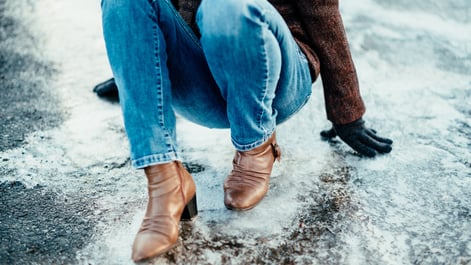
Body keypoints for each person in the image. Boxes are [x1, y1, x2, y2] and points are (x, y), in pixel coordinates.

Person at [100, 0, 393, 261]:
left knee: (226, 5)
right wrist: (135, 71)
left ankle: (257, 146)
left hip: (278, 74)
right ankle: (165, 181)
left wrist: (347, 112)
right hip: (204, 81)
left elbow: (322, 11)